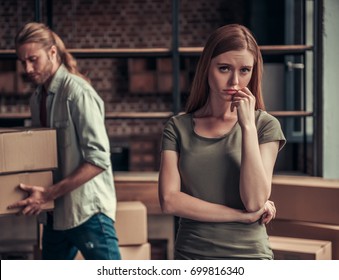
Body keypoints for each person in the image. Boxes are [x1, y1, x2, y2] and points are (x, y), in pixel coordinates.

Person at [158, 24, 286, 260]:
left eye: (245, 70)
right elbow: (169, 200)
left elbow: (254, 200)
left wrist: (247, 126)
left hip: (249, 256)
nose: (235, 81)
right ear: (207, 68)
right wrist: (239, 216)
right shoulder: (178, 128)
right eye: (224, 68)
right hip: (191, 254)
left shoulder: (265, 126)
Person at [8, 22, 121, 260]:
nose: (27, 68)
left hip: (87, 212)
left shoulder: (78, 93)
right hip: (54, 215)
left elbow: (99, 159)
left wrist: (48, 194)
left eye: (33, 59)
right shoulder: (37, 97)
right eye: (22, 62)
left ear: (52, 53)